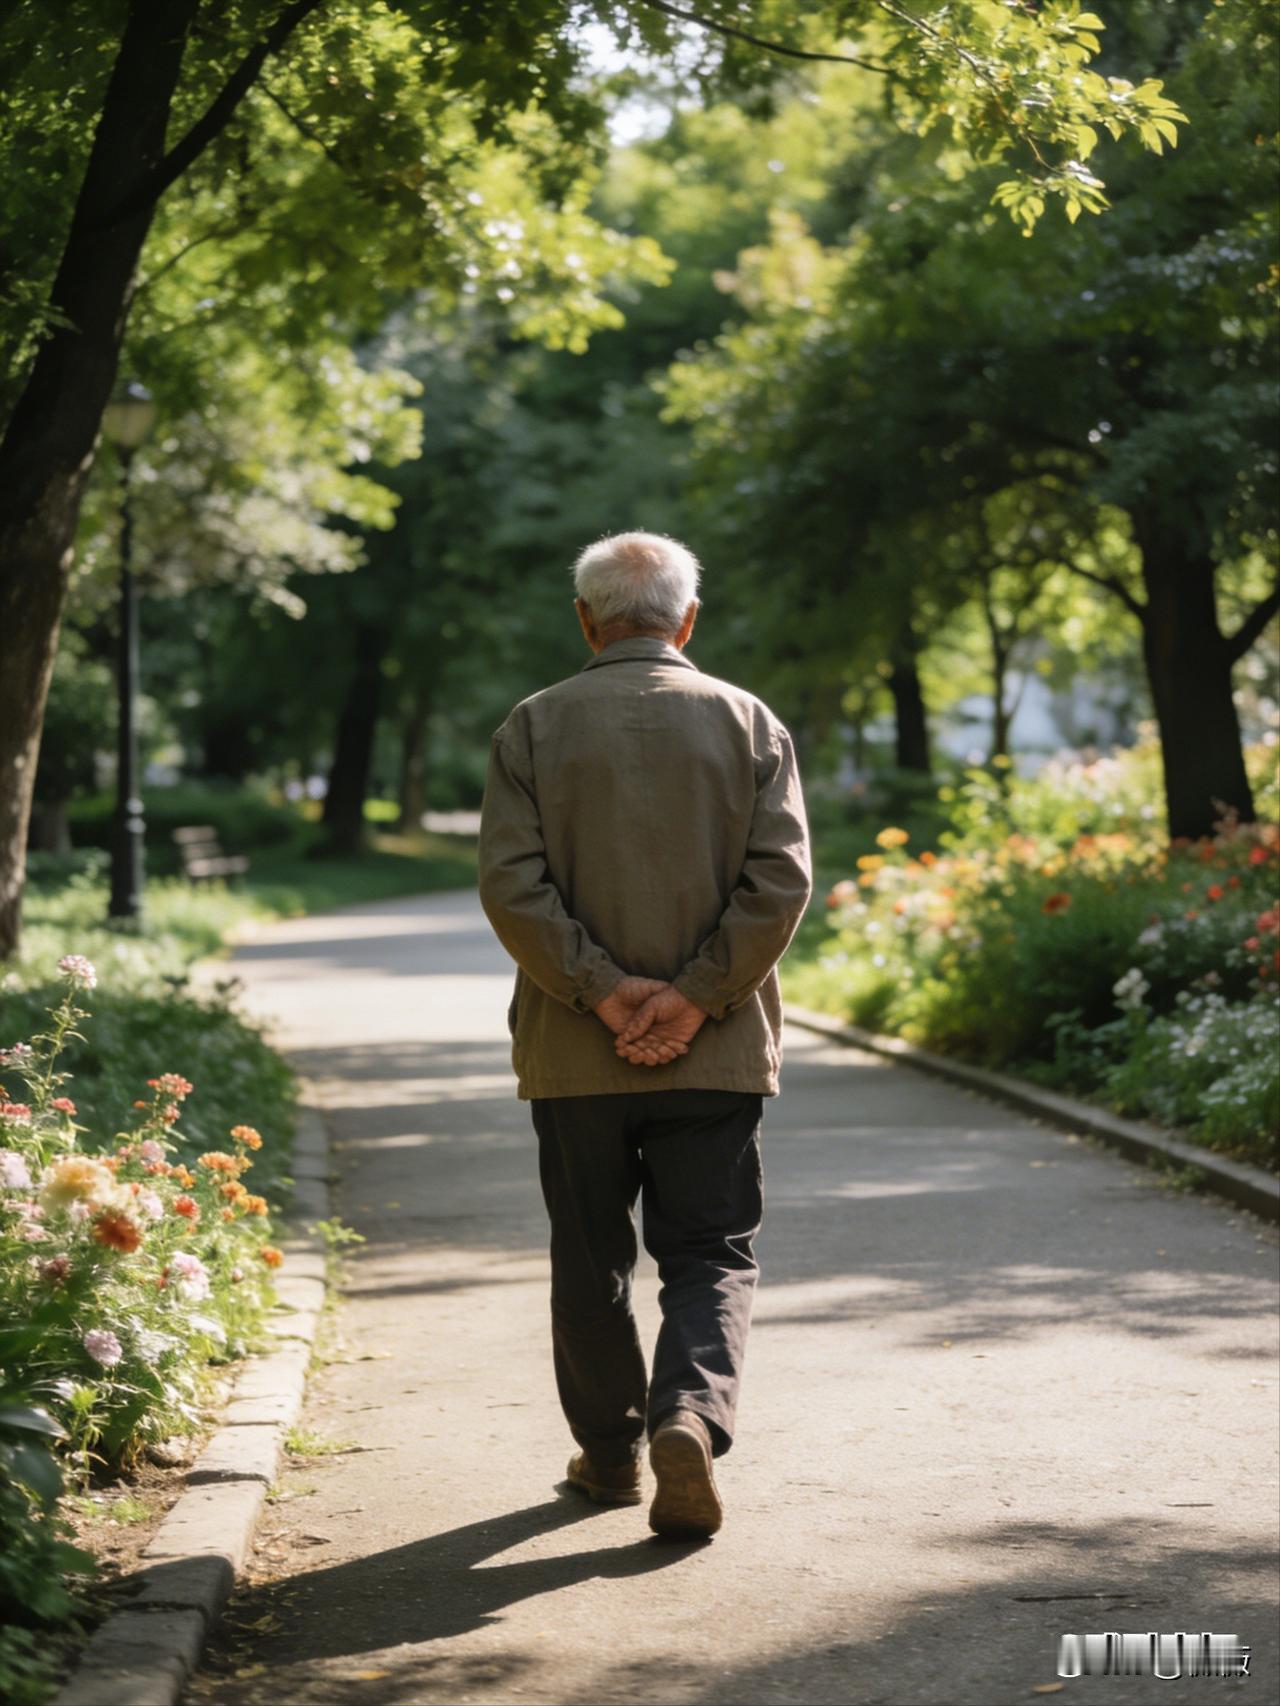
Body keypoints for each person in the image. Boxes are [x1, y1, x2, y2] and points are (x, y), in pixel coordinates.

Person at [477, 531, 812, 1539]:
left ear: (585, 618)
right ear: (687, 619)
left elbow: (509, 882)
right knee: (709, 1249)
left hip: (575, 1048)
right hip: (714, 1048)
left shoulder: (532, 726)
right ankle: (689, 1418)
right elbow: (779, 880)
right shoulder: (748, 720)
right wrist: (697, 994)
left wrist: (603, 989)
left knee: (588, 1256)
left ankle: (613, 1451)